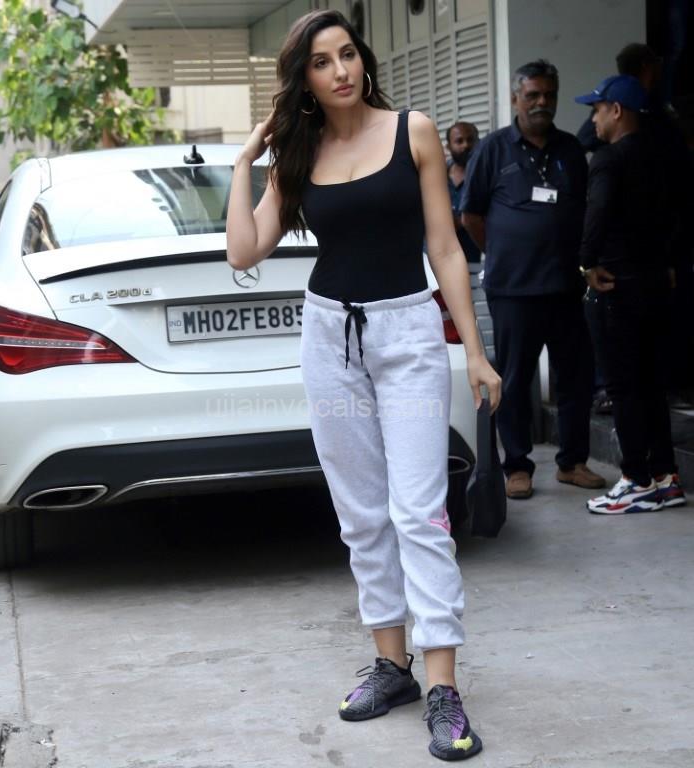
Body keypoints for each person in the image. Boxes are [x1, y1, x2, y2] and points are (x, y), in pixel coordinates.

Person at [225, 9, 501, 762]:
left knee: (419, 512)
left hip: (408, 335)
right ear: (304, 80)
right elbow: (243, 251)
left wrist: (474, 351)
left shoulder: (413, 131)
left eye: (346, 54)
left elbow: (445, 248)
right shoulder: (299, 154)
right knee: (360, 511)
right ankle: (391, 665)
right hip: (329, 339)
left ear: (363, 59)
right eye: (321, 62)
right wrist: (247, 159)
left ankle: (442, 684)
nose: (340, 70)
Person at [460, 59, 605, 500]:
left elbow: (582, 210)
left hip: (565, 287)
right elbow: (470, 215)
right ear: (515, 98)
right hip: (514, 290)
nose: (542, 102)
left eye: (549, 95)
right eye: (533, 95)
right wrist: (505, 252)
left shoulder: (570, 150)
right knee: (515, 379)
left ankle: (572, 462)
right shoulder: (492, 150)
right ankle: (518, 466)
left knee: (575, 378)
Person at [574, 75, 687, 514]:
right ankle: (666, 477)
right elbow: (681, 216)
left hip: (615, 285)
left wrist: (586, 263)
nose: (593, 119)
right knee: (652, 385)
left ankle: (636, 480)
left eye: (597, 109)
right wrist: (671, 264)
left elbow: (598, 212)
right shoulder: (668, 156)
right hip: (657, 285)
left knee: (623, 388)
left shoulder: (609, 159)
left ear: (617, 111)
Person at [446, 121, 481, 263]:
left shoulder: (485, 176)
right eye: (459, 141)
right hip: (436, 259)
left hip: (471, 259)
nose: (466, 145)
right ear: (449, 147)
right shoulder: (437, 175)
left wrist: (461, 222)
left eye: (470, 140)